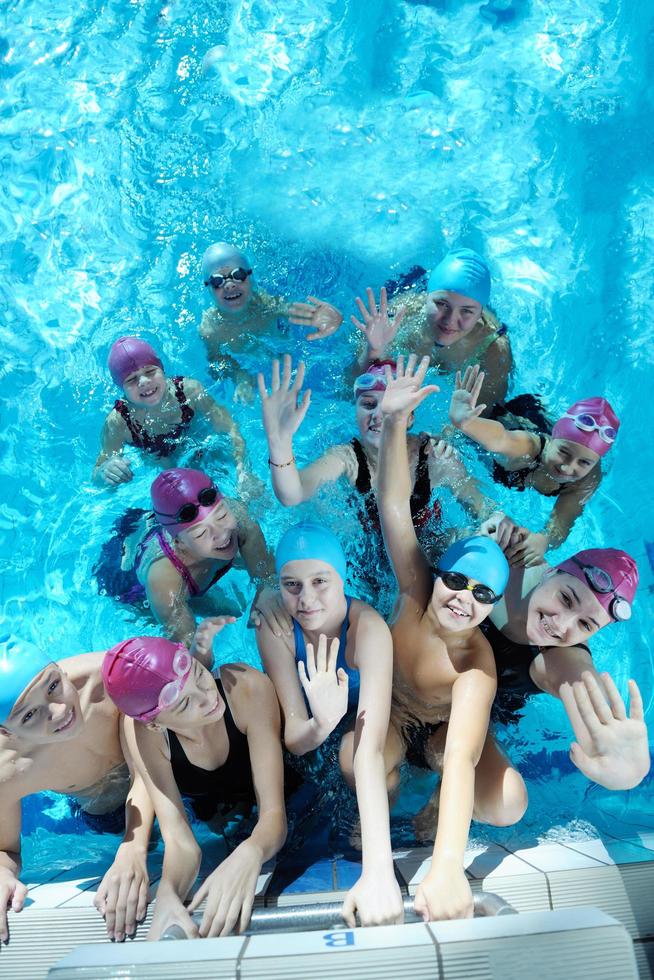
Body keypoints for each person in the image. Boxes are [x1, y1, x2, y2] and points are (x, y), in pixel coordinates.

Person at [375, 354, 511, 922]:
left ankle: (433, 804)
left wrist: (448, 862)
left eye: (482, 594)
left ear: (491, 609)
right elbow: (391, 504)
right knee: (364, 765)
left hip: (437, 730)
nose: (463, 597)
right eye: (456, 580)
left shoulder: (476, 664)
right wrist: (392, 424)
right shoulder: (413, 586)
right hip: (389, 714)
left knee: (506, 804)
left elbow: (459, 755)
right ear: (439, 576)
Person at [256, 522, 404, 927]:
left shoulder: (367, 629)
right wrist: (321, 721)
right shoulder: (278, 631)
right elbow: (294, 738)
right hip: (320, 722)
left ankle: (387, 802)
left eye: (320, 581)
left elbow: (370, 748)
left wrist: (379, 870)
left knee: (352, 759)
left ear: (342, 577)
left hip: (369, 724)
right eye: (291, 585)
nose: (306, 600)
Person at [101, 625, 288, 940]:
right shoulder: (145, 734)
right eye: (185, 704)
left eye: (199, 676)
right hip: (208, 806)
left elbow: (274, 815)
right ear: (157, 725)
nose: (207, 698)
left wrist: (251, 851)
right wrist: (168, 895)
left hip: (283, 784)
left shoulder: (246, 688)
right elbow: (182, 842)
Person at [471, 513, 648, 808]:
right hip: (428, 673)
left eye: (586, 625)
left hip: (480, 712)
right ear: (551, 572)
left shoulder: (560, 658)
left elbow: (582, 683)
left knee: (504, 804)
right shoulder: (508, 556)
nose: (562, 626)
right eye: (566, 599)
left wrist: (625, 765)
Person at [0, 635, 155, 945]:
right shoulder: (7, 770)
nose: (58, 711)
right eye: (29, 715)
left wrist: (132, 848)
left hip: (158, 771)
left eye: (54, 686)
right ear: (7, 732)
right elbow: (6, 850)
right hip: (104, 812)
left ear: (59, 669)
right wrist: (3, 873)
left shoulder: (113, 677)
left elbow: (151, 769)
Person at [258, 354, 492, 532]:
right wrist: (279, 442)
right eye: (368, 405)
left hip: (428, 545)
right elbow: (292, 494)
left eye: (389, 409)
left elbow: (482, 508)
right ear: (356, 413)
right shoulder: (346, 458)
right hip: (368, 561)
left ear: (410, 417)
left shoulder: (433, 454)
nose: (378, 416)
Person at [95, 467, 290, 654]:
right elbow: (191, 660)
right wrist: (199, 643)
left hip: (159, 528)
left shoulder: (238, 516)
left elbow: (265, 576)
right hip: (126, 580)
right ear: (179, 543)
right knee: (223, 610)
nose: (222, 535)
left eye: (222, 516)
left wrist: (266, 591)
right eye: (202, 533)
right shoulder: (164, 581)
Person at [449, 365, 620, 565]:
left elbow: (562, 523)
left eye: (584, 462)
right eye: (563, 452)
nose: (567, 468)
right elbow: (501, 439)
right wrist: (467, 423)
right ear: (554, 438)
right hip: (516, 417)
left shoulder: (588, 477)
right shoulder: (529, 447)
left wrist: (543, 540)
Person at [352, 249, 512, 412]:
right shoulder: (400, 318)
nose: (449, 321)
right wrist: (372, 350)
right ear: (427, 297)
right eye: (442, 304)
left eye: (467, 311)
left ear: (479, 314)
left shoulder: (493, 345)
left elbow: (483, 413)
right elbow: (348, 390)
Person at [93, 336, 249, 490]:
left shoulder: (189, 391)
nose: (144, 382)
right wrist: (105, 472)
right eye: (132, 380)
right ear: (122, 388)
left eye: (150, 371)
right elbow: (98, 472)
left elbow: (230, 429)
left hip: (200, 447)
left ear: (162, 370)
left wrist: (244, 471)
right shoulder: (119, 422)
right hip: (162, 468)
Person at [199, 242, 344, 401]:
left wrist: (328, 318)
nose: (230, 285)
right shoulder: (211, 329)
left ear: (251, 278)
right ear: (209, 289)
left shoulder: (265, 305)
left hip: (287, 356)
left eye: (238, 275)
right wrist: (241, 377)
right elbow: (217, 361)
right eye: (217, 281)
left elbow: (297, 311)